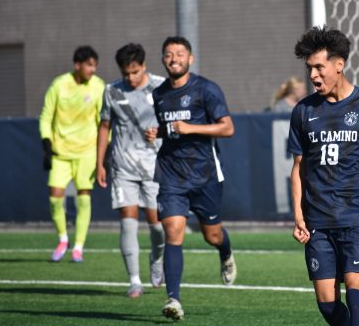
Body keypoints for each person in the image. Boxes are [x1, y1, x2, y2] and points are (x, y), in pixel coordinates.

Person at [289, 26, 359, 326]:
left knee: (357, 291)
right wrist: (297, 214)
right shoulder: (302, 112)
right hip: (318, 221)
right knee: (327, 306)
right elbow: (298, 168)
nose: (313, 75)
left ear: (339, 64)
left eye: (319, 67)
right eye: (309, 68)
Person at [145, 36, 237, 321]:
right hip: (172, 175)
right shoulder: (159, 94)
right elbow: (171, 129)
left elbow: (228, 128)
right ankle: (173, 299)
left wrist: (190, 127)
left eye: (180, 54)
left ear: (190, 58)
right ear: (163, 59)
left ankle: (225, 253)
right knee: (173, 232)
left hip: (205, 175)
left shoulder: (206, 89)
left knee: (212, 235)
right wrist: (157, 133)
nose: (174, 58)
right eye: (169, 54)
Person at [96, 43, 166, 298]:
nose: (130, 78)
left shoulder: (160, 86)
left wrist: (160, 132)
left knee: (157, 226)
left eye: (135, 72)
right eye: (126, 73)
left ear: (143, 66)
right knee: (128, 221)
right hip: (123, 165)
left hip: (154, 165)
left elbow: (171, 120)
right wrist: (99, 163)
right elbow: (104, 126)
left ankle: (157, 259)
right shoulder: (111, 91)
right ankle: (134, 280)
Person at [39, 45, 105, 263]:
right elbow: (46, 117)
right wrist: (47, 144)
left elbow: (103, 122)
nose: (93, 69)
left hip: (87, 151)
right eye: (89, 65)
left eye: (95, 65)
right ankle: (62, 239)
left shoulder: (98, 87)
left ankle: (78, 247)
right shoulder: (59, 85)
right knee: (55, 197)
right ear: (77, 65)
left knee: (83, 198)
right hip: (61, 152)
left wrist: (105, 152)